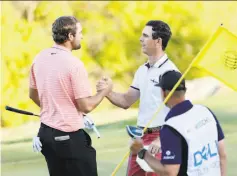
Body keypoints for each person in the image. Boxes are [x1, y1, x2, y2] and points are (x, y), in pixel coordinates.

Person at [29, 16, 112, 176]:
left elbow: (33, 95)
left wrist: (56, 109)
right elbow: (86, 105)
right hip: (68, 139)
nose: (82, 36)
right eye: (80, 32)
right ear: (70, 36)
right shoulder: (73, 64)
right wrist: (104, 91)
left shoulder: (39, 58)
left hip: (46, 134)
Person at [97, 20, 179, 176]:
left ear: (158, 41)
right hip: (140, 138)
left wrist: (162, 139)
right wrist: (107, 92)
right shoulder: (142, 70)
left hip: (160, 139)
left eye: (145, 36)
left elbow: (179, 112)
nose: (140, 39)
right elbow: (127, 101)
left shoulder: (171, 72)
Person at [129, 70, 227, 176]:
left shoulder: (171, 127)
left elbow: (170, 172)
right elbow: (222, 155)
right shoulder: (206, 111)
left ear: (164, 92)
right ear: (185, 89)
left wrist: (142, 152)